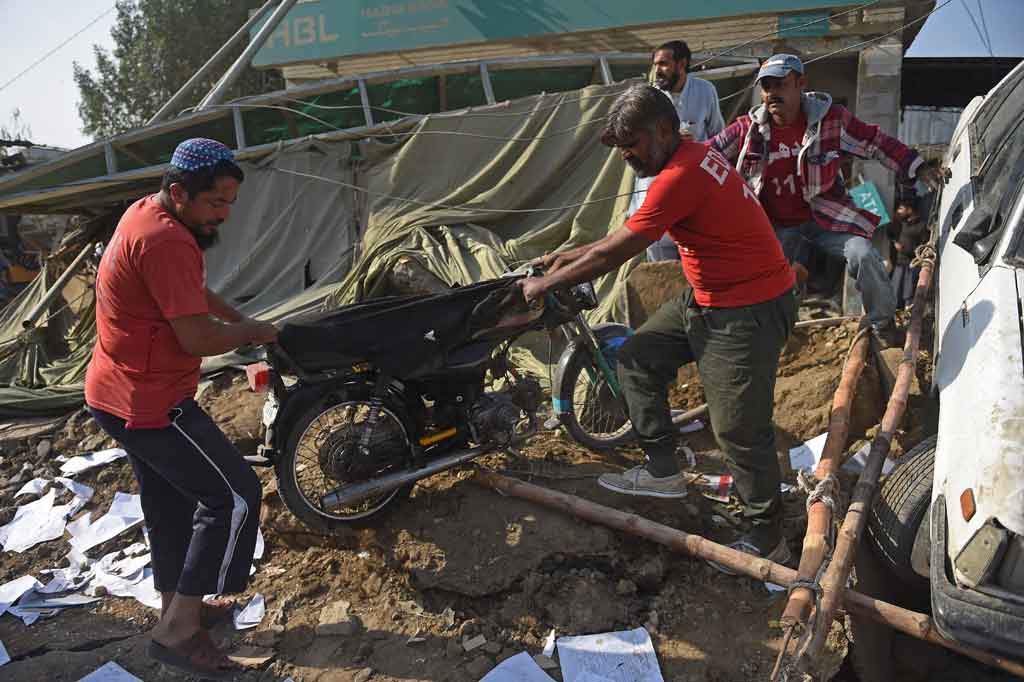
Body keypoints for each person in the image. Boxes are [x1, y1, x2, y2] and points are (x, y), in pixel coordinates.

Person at [519, 84, 797, 567]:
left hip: (749, 306)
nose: (627, 154)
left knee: (737, 426)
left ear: (664, 131)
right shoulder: (683, 158)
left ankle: (764, 532)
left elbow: (618, 251)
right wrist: (564, 257)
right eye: (622, 146)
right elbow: (624, 234)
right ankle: (663, 469)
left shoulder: (681, 172)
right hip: (708, 297)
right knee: (636, 357)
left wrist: (545, 285)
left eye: (633, 143)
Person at [85, 138, 278, 679]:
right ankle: (177, 633)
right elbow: (194, 338)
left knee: (170, 501)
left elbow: (194, 293)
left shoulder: (148, 214)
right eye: (216, 203)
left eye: (230, 203)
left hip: (115, 391)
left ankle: (179, 606)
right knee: (235, 495)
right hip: (148, 401)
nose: (224, 213)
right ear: (178, 192)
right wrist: (257, 332)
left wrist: (239, 317)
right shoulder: (165, 240)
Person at [709, 54, 946, 347]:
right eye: (766, 86)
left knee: (864, 254)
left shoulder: (830, 120)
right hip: (776, 225)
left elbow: (874, 142)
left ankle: (883, 327)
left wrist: (918, 166)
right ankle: (779, 341)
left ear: (800, 83)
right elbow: (708, 154)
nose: (772, 93)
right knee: (773, 287)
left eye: (780, 84)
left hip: (826, 217)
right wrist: (680, 150)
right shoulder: (749, 130)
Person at [631, 40, 726, 262]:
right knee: (660, 262)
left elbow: (719, 139)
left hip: (692, 190)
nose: (657, 70)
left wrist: (694, 145)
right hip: (655, 189)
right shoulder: (648, 98)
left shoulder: (705, 91)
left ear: (681, 64)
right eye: (655, 64)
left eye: (663, 64)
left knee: (697, 258)